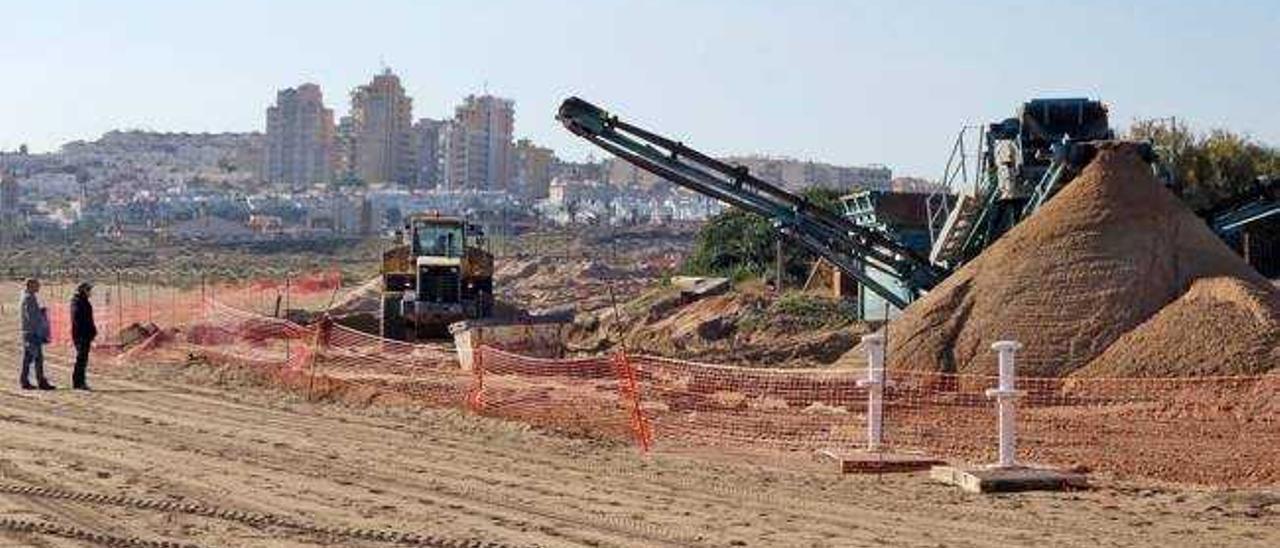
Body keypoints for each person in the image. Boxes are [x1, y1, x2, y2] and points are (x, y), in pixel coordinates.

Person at [18, 278, 54, 390]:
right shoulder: (29, 298)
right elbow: (32, 317)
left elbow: (32, 314)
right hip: (32, 333)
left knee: (29, 358)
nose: (38, 287)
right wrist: (41, 326)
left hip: (29, 332)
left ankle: (25, 381)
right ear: (30, 286)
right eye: (36, 285)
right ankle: (40, 382)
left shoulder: (27, 297)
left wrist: (40, 311)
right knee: (37, 358)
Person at [70, 282, 97, 391]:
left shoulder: (81, 301)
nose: (90, 292)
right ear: (83, 290)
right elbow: (79, 319)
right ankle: (78, 382)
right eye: (88, 290)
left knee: (82, 359)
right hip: (81, 335)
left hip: (83, 334)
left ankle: (79, 381)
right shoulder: (78, 302)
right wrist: (88, 331)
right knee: (81, 359)